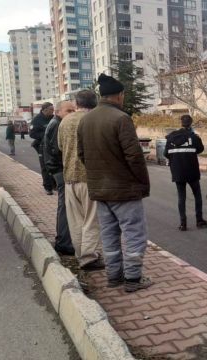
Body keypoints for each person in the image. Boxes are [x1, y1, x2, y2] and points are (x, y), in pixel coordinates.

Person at [78, 73, 151, 293]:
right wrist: (142, 182)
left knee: (109, 236)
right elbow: (134, 157)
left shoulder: (86, 120)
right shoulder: (121, 119)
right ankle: (133, 279)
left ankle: (114, 276)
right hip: (124, 190)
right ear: (119, 96)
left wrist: (99, 175)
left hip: (100, 190)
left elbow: (82, 155)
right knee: (134, 234)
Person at [58, 90, 105, 270]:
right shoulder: (93, 120)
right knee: (91, 220)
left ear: (76, 104)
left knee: (76, 221)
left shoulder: (65, 121)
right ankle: (89, 257)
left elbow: (61, 146)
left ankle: (80, 255)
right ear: (95, 103)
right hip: (90, 178)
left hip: (69, 177)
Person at [164, 115, 207, 231]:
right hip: (191, 171)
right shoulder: (194, 137)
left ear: (181, 123)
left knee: (181, 197)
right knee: (197, 195)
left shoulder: (171, 138)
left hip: (178, 171)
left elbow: (165, 153)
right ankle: (199, 220)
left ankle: (183, 223)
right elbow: (200, 149)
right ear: (191, 123)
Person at [44, 101, 76, 256]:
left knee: (65, 206)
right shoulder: (58, 124)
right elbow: (59, 150)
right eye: (68, 111)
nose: (72, 113)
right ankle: (64, 242)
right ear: (57, 111)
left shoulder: (55, 122)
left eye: (73, 110)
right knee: (65, 207)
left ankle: (64, 240)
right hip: (60, 170)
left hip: (57, 169)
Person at [31, 102, 57, 195]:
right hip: (42, 146)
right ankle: (48, 187)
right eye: (51, 109)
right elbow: (32, 134)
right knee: (45, 167)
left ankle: (55, 184)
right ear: (45, 110)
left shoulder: (53, 118)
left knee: (55, 165)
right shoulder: (37, 120)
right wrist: (45, 136)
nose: (52, 111)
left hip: (53, 145)